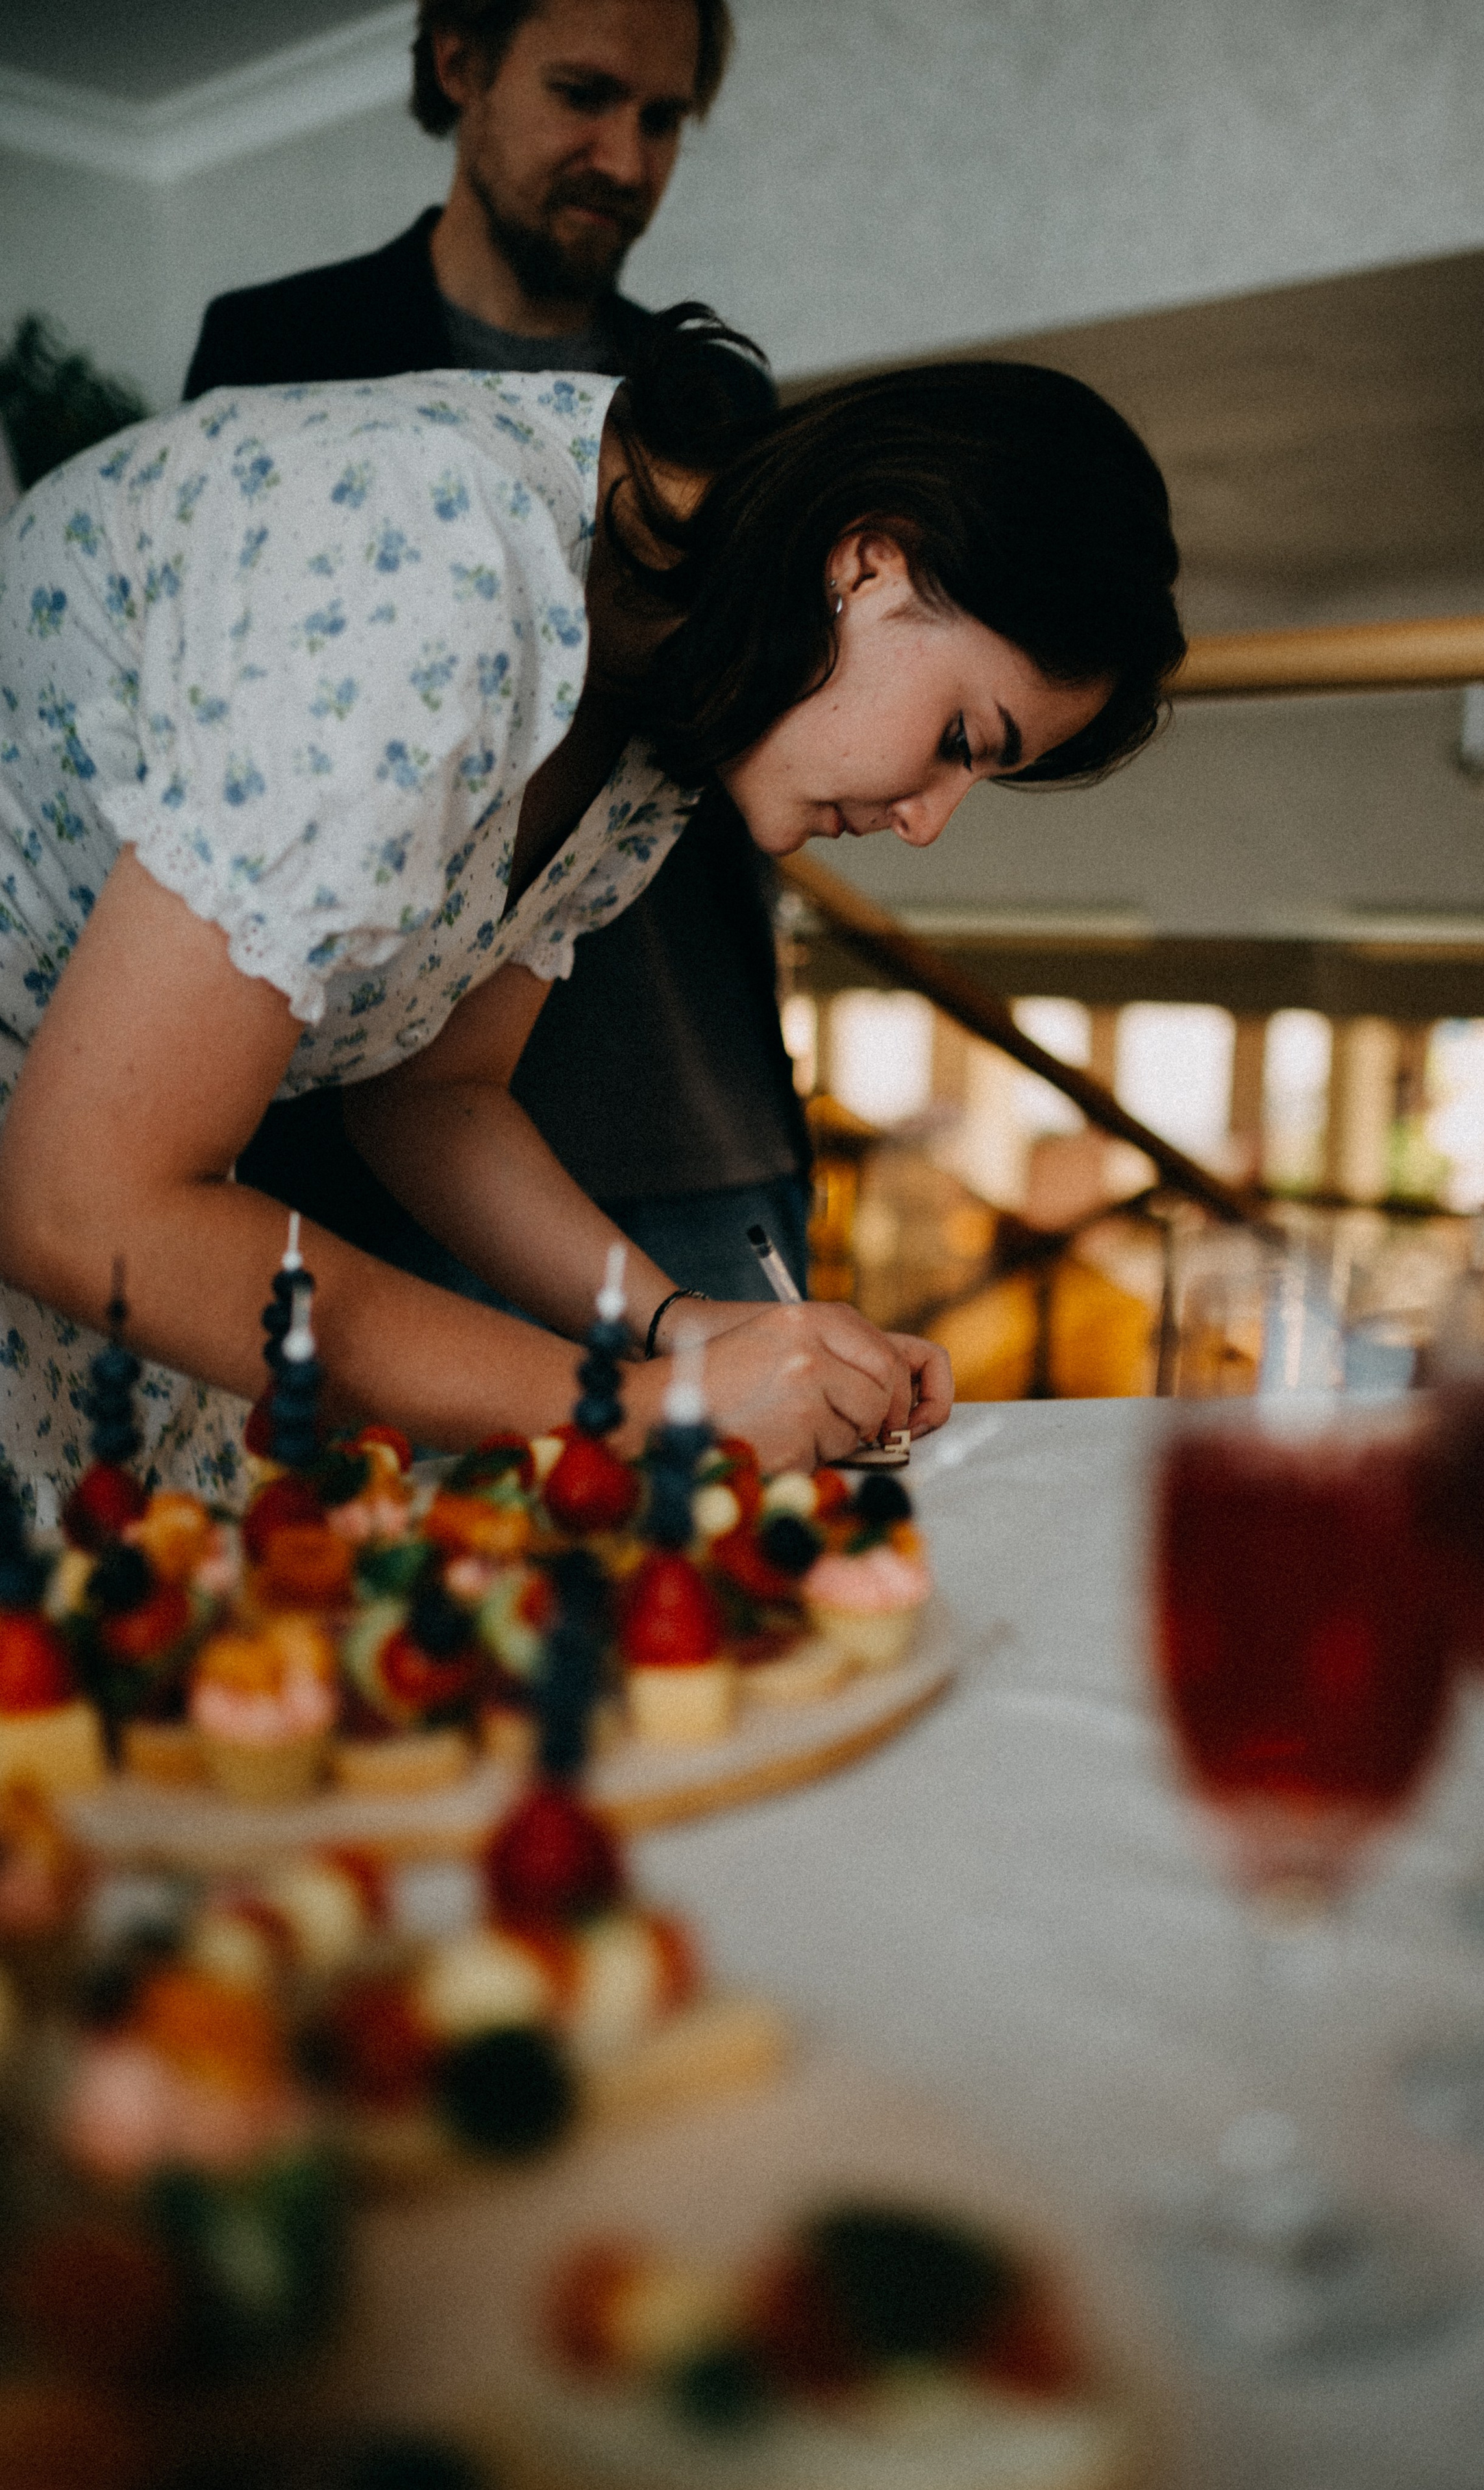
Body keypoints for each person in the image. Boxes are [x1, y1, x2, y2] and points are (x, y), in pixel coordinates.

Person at [0, 323, 1185, 1506]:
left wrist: (683, 1328)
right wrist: (654, 1411)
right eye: (960, 742)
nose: (928, 822)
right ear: (874, 561)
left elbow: (433, 1097)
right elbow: (80, 1206)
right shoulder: (432, 571)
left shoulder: (666, 703)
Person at [185, 0, 813, 1306]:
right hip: (371, 1162)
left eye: (661, 119)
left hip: (705, 1134)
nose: (627, 162)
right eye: (583, 95)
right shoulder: (280, 355)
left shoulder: (719, 406)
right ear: (458, 64)